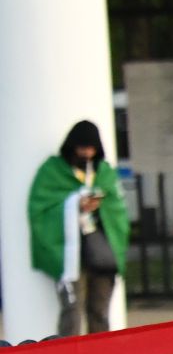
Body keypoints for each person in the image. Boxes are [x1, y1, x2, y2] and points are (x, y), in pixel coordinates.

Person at [28, 120, 128, 337]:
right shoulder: (52, 171)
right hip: (69, 253)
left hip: (101, 253)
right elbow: (40, 208)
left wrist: (98, 205)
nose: (87, 154)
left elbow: (117, 208)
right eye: (82, 148)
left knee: (100, 312)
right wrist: (74, 203)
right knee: (72, 311)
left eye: (91, 149)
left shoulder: (103, 172)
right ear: (71, 147)